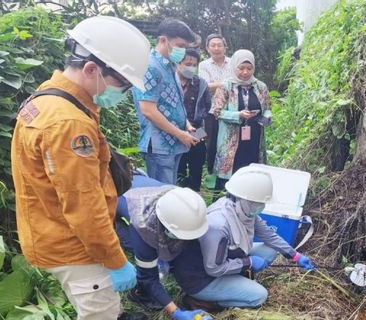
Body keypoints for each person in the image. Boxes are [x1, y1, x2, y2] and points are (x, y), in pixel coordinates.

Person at [11, 16, 151, 320]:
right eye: (123, 85)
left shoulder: (50, 97)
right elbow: (84, 206)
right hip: (76, 247)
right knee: (99, 312)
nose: (124, 93)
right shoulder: (70, 123)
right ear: (91, 69)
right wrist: (115, 261)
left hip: (53, 231)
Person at [172, 166, 315, 310]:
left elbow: (269, 235)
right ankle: (204, 302)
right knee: (259, 296)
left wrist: (295, 256)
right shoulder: (218, 225)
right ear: (244, 199)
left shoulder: (243, 211)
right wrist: (249, 262)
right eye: (258, 203)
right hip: (201, 278)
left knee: (269, 251)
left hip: (224, 259)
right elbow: (214, 269)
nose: (261, 206)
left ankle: (237, 282)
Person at [116, 174, 210, 320]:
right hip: (111, 196)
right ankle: (140, 293)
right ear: (164, 226)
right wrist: (176, 311)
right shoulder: (143, 225)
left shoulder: (185, 206)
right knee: (123, 237)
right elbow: (148, 277)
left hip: (138, 183)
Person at [133, 19, 199, 185]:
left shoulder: (170, 65)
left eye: (185, 47)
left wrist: (186, 124)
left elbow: (174, 101)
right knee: (161, 197)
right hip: (159, 145)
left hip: (172, 143)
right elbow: (148, 110)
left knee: (170, 190)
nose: (183, 51)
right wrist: (179, 133)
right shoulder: (151, 67)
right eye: (180, 45)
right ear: (163, 40)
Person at [212, 49, 273, 190]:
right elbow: (217, 112)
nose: (245, 72)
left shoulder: (260, 86)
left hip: (254, 136)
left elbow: (268, 108)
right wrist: (237, 115)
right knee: (231, 171)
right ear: (234, 67)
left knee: (251, 168)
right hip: (231, 138)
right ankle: (224, 200)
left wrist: (267, 118)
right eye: (241, 68)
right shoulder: (226, 86)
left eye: (249, 68)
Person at [176, 49, 212, 191]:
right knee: (179, 162)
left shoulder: (200, 83)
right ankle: (179, 190)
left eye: (194, 64)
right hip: (175, 130)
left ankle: (195, 191)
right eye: (187, 63)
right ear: (178, 63)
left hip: (197, 129)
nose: (190, 67)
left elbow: (206, 106)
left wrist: (195, 127)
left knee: (197, 160)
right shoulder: (171, 82)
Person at [199, 34, 232, 180]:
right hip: (211, 110)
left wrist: (216, 84)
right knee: (211, 142)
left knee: (229, 141)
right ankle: (212, 173)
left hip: (232, 110)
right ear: (207, 48)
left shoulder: (233, 63)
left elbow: (239, 81)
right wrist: (228, 83)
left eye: (220, 45)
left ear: (225, 47)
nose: (217, 48)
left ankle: (228, 170)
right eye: (213, 45)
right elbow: (206, 87)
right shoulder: (203, 65)